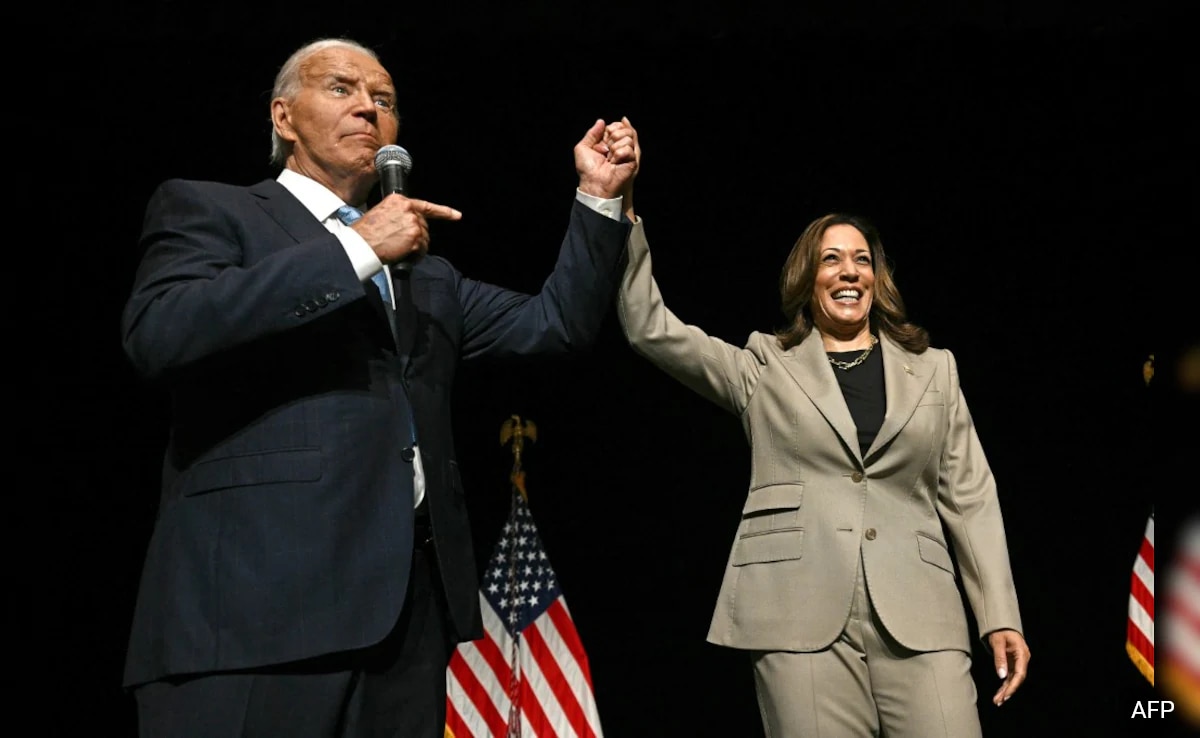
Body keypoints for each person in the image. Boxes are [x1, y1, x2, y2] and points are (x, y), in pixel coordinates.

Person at [120, 37, 639, 738]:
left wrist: (598, 199)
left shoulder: (427, 276)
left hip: (404, 626)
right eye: (341, 88)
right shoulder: (211, 210)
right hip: (250, 617)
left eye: (385, 99)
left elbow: (557, 325)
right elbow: (161, 331)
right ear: (283, 117)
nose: (368, 107)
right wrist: (357, 248)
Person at [615, 206, 1031, 736]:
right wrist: (620, 216)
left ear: (878, 279)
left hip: (921, 613)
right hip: (798, 614)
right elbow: (650, 329)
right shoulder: (764, 365)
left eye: (862, 260)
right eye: (830, 259)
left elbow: (971, 497)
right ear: (807, 278)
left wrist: (998, 614)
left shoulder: (934, 370)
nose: (849, 271)